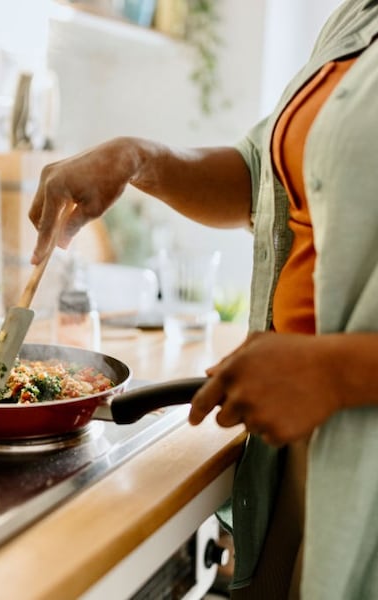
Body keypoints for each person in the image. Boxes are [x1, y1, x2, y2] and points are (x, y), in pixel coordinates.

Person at [27, 1, 378, 598]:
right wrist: (136, 157)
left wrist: (336, 372)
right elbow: (261, 175)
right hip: (300, 436)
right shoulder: (358, 17)